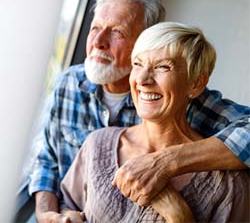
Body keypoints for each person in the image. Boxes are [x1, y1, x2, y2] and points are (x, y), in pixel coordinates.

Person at [28, 0, 250, 223]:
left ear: (148, 39)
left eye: (117, 32)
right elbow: (47, 159)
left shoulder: (191, 102)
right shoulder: (69, 84)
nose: (98, 42)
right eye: (95, 28)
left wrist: (167, 163)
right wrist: (47, 213)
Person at [60, 22, 249, 223]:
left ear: (196, 83)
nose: (142, 79)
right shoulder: (97, 143)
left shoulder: (230, 186)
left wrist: (180, 216)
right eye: (138, 64)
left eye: (162, 67)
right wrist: (69, 217)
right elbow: (67, 206)